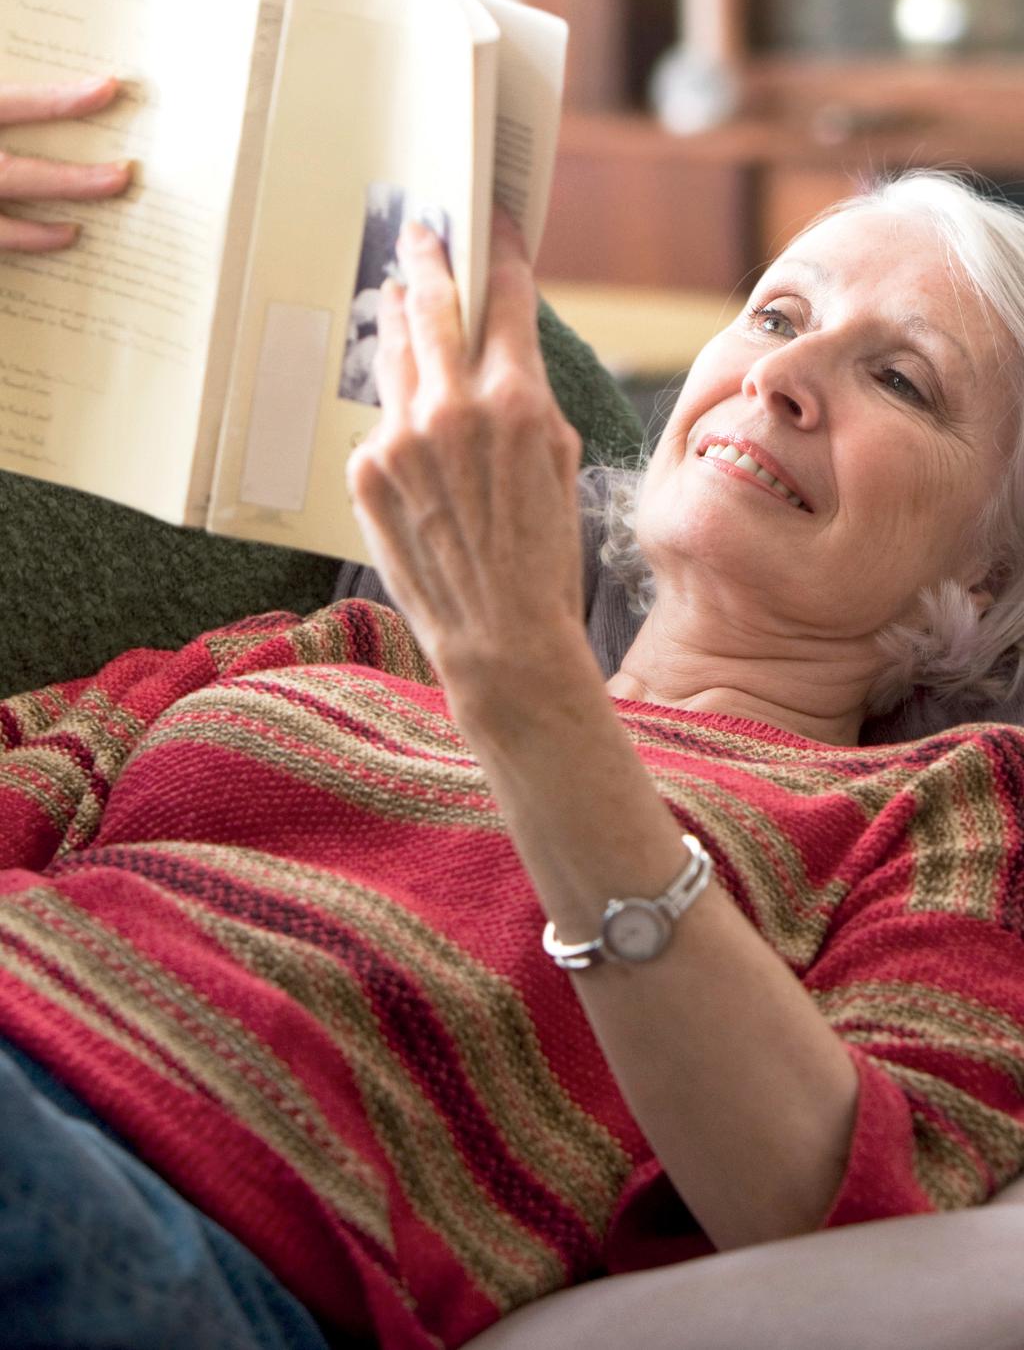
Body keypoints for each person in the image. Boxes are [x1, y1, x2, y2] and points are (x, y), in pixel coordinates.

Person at [1, 75, 1023, 1350]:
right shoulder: (342, 649)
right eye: (775, 315)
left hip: (178, 1222)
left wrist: (523, 684)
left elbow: (878, 1218)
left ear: (986, 568)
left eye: (903, 378)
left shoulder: (947, 810)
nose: (787, 376)